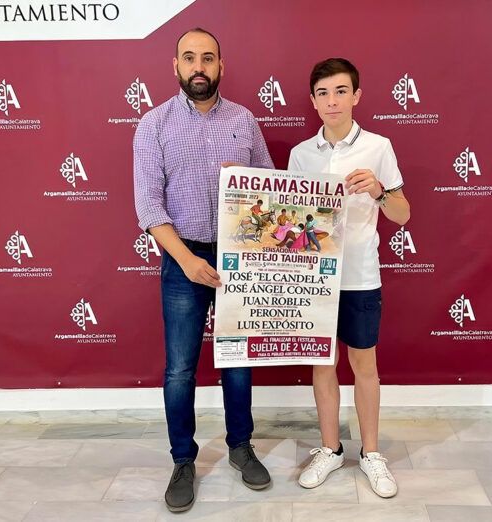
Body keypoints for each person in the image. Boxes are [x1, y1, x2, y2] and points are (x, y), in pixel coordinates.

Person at [133, 27, 273, 513]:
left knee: (237, 359)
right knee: (179, 369)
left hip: (239, 258)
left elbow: (269, 194)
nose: (199, 66)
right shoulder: (153, 125)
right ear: (175, 66)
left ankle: (240, 447)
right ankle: (183, 460)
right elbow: (150, 208)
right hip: (181, 258)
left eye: (207, 58)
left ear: (221, 66)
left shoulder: (245, 121)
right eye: (189, 58)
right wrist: (189, 261)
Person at [288, 58, 410, 498]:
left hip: (360, 276)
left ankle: (372, 454)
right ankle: (330, 449)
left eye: (340, 91)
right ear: (313, 101)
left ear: (356, 96)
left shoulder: (379, 146)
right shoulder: (301, 154)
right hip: (314, 279)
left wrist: (379, 190)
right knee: (323, 365)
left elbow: (402, 213)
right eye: (323, 93)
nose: (332, 101)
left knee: (365, 367)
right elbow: (290, 226)